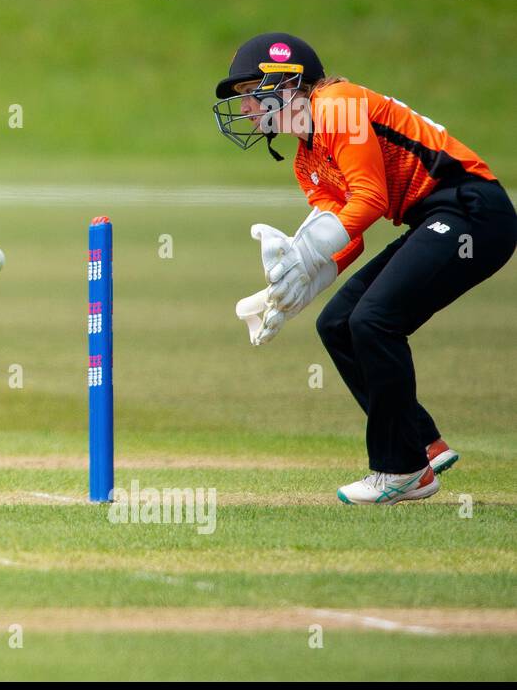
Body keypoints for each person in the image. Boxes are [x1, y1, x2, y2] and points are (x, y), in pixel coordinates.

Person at [216, 32, 516, 504]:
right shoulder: (306, 160)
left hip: (472, 210)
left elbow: (371, 198)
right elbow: (344, 235)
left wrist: (308, 252)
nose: (248, 110)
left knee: (374, 321)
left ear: (286, 83)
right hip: (434, 217)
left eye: (250, 94)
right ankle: (421, 442)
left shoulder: (338, 104)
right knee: (337, 323)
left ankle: (403, 470)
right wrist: (289, 289)